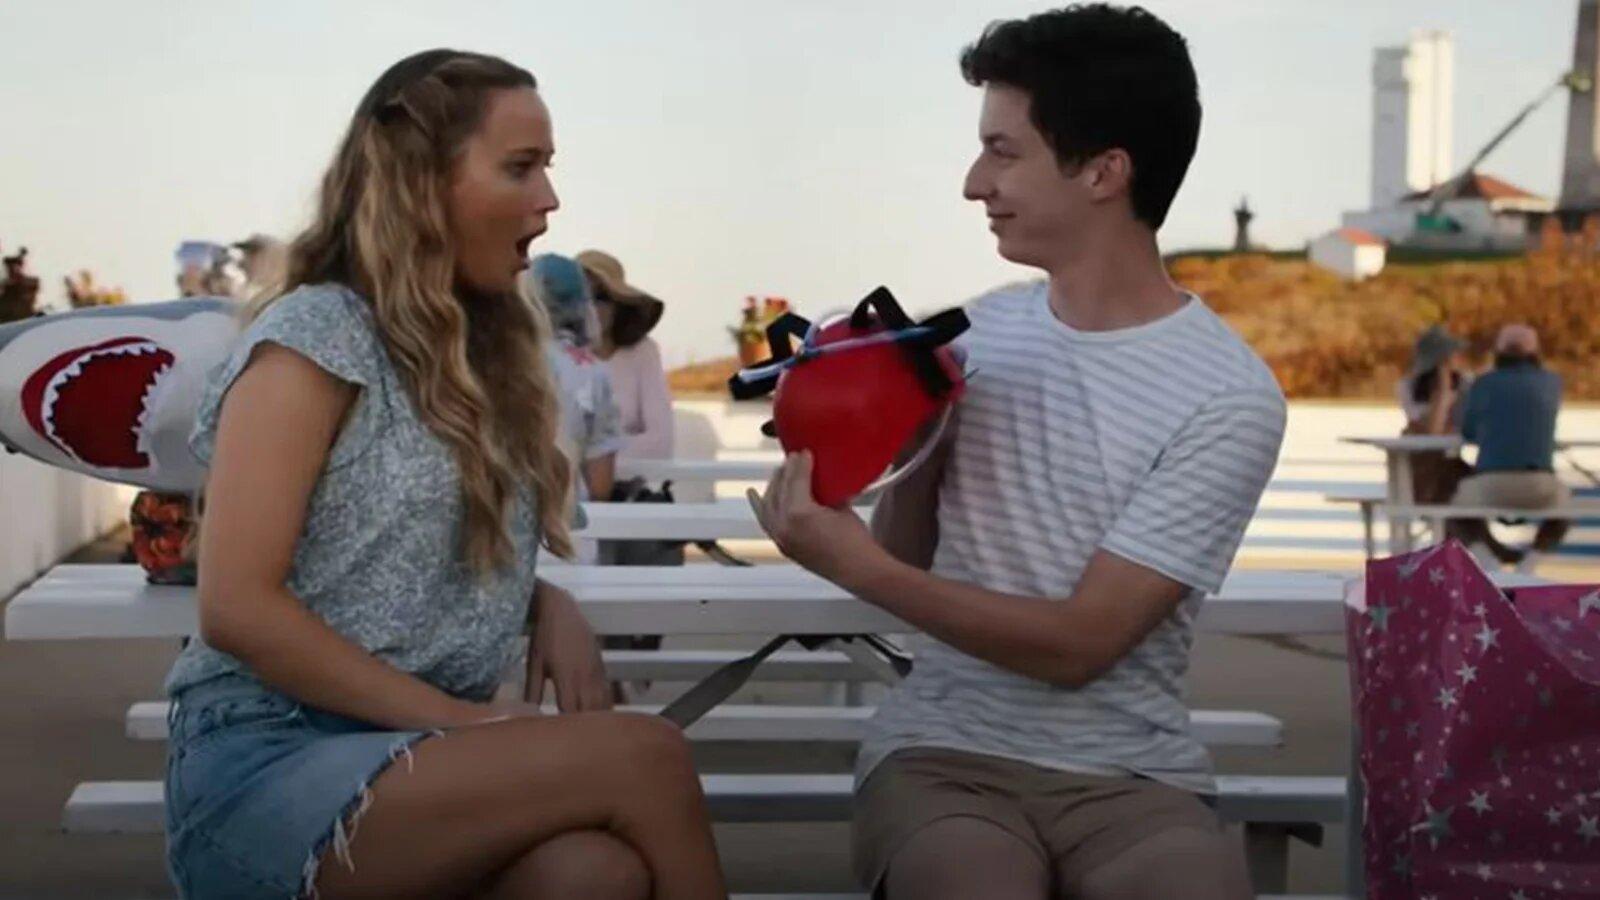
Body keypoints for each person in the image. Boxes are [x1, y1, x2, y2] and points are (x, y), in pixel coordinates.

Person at [161, 49, 724, 900]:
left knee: (593, 875)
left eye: (548, 168)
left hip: (415, 760)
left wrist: (542, 598)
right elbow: (236, 606)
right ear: (423, 183)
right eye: (521, 167)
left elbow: (395, 547)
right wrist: (463, 722)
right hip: (272, 757)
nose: (550, 199)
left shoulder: (488, 352)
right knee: (647, 756)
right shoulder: (314, 338)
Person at [749, 7, 1283, 899]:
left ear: (1104, 171)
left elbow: (1081, 645)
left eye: (1002, 152)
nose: (973, 184)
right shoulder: (975, 336)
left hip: (1134, 777)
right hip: (945, 755)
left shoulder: (1229, 393)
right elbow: (909, 552)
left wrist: (851, 565)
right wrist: (916, 441)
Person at [522, 252, 626, 563]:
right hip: (570, 533)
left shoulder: (502, 361)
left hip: (504, 535)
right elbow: (601, 483)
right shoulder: (593, 372)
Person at [1398, 325, 1521, 565]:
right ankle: (1482, 549)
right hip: (1422, 468)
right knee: (1444, 493)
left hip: (1450, 464)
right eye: (1451, 355)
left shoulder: (1465, 383)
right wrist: (1443, 393)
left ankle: (1483, 547)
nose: (1457, 359)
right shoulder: (1408, 387)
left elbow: (1466, 423)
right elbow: (1433, 430)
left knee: (1461, 483)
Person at [1452, 324, 1569, 573]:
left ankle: (1489, 562)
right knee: (1566, 505)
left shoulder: (1483, 384)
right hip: (1539, 483)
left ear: (1498, 352)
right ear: (1535, 352)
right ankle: (1529, 563)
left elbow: (1467, 431)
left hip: (1490, 483)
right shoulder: (1552, 383)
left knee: (1453, 507)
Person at [576, 249, 674, 461]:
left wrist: (594, 457)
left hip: (629, 479)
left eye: (601, 297)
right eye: (582, 297)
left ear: (618, 305)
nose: (590, 307)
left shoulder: (643, 352)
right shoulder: (553, 354)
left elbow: (661, 440)